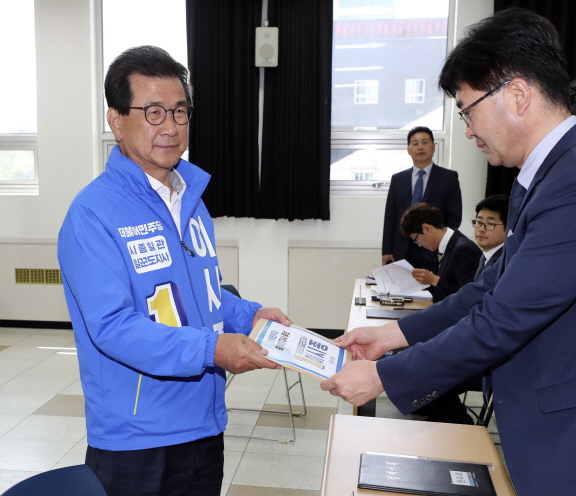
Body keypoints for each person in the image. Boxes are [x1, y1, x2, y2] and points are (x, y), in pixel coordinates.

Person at [321, 8, 576, 495]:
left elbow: (500, 321)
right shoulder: (540, 178)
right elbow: (485, 291)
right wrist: (392, 336)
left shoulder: (568, 183)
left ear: (518, 94)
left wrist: (382, 377)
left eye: (466, 109)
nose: (467, 129)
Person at [58, 46, 290, 496]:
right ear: (116, 120)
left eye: (179, 111)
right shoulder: (92, 213)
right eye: (153, 112)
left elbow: (202, 297)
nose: (170, 126)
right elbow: (112, 326)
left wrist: (251, 316)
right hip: (136, 440)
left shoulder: (192, 202)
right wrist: (214, 349)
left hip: (203, 426)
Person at [381, 126, 462, 272]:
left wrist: (443, 247)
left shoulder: (449, 178)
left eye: (424, 142)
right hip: (402, 249)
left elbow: (454, 216)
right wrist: (386, 250)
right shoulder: (398, 179)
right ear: (408, 149)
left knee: (432, 291)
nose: (420, 147)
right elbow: (390, 217)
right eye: (415, 143)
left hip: (433, 249)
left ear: (433, 147)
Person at [402, 203, 481, 303]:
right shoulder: (444, 246)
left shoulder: (463, 250)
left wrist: (433, 280)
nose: (419, 245)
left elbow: (468, 296)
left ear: (426, 228)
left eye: (416, 239)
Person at [472, 195, 508, 281]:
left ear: (509, 226)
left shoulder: (506, 262)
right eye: (478, 222)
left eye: (490, 224)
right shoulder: (485, 256)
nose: (481, 229)